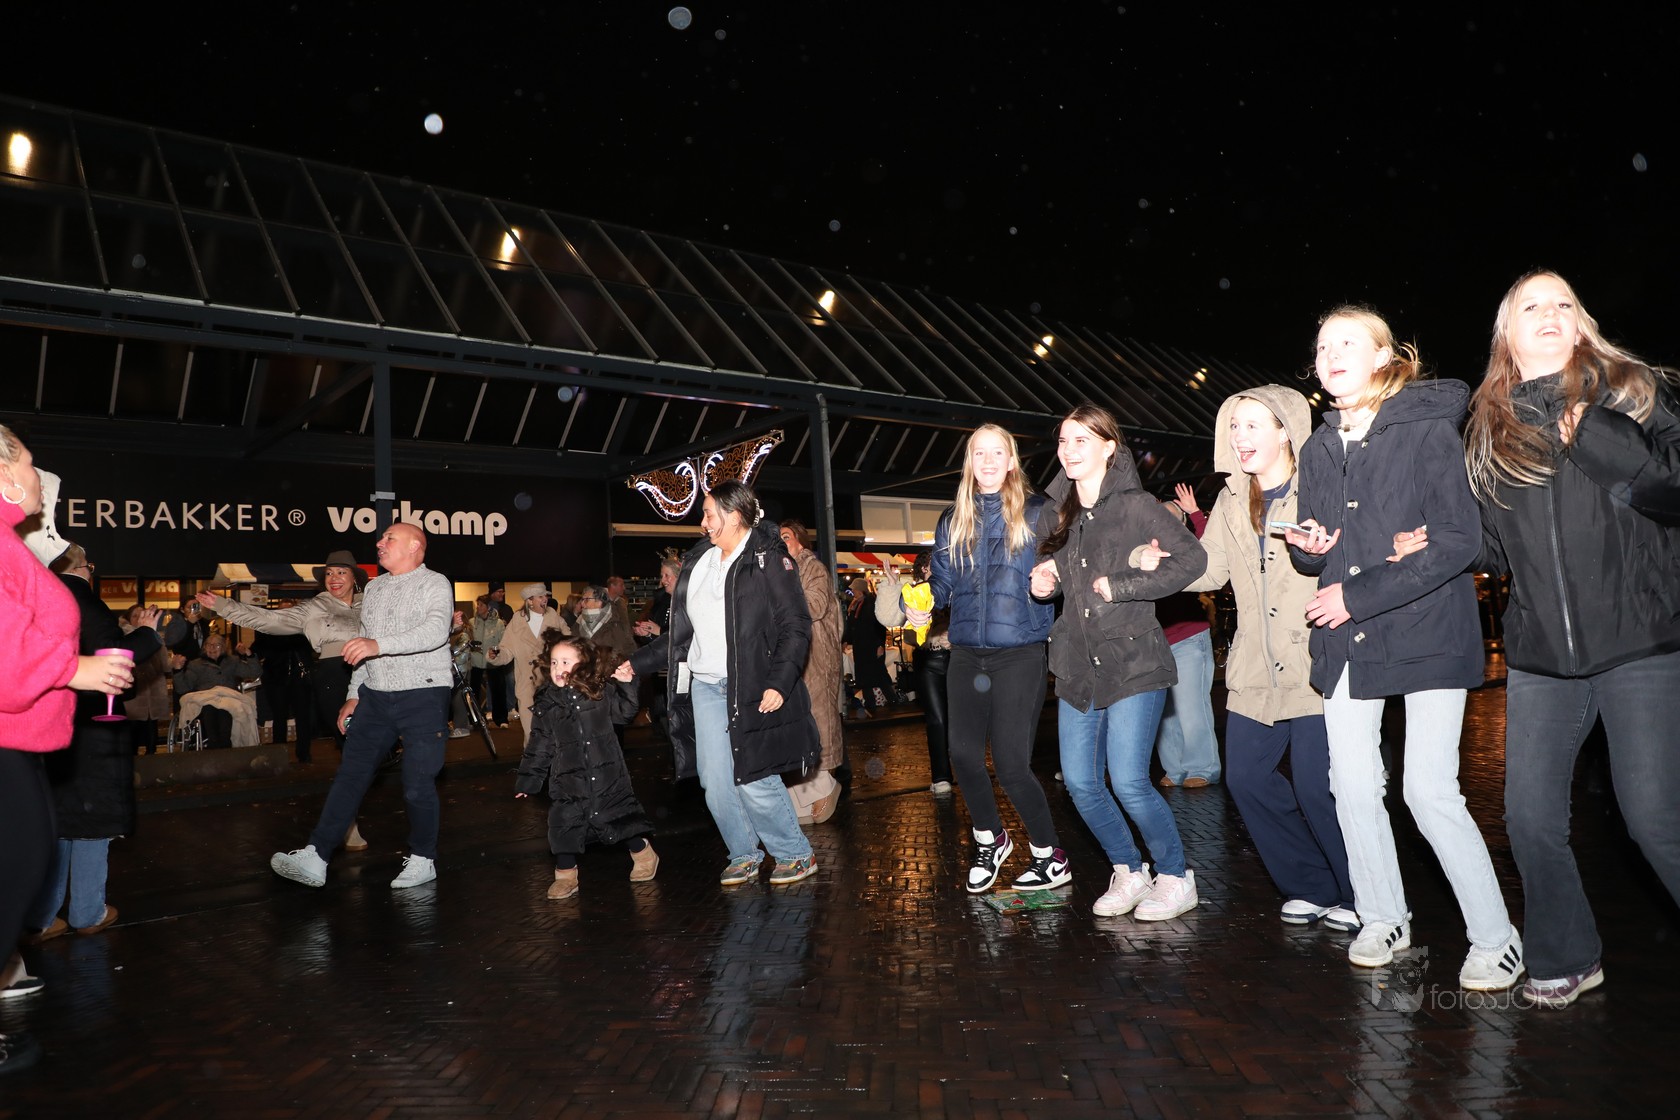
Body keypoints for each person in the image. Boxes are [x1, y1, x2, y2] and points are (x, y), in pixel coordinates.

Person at [1461, 271, 1680, 1007]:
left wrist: (1595, 431)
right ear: (1508, 334)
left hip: (1639, 637)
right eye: (1532, 305)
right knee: (1528, 819)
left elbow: (1672, 487)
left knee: (1655, 820)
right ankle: (1567, 956)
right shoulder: (1489, 430)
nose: (1550, 313)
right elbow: (1495, 549)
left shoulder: (1632, 393)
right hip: (1542, 656)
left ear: (1581, 324)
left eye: (1564, 304)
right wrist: (1433, 540)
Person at [1286, 306, 1522, 991]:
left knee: (1428, 790)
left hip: (1423, 628)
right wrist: (1311, 550)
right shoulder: (1318, 447)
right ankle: (1383, 916)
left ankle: (1497, 938)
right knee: (1351, 785)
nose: (1332, 354)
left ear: (1384, 357)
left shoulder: (1426, 430)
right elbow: (1320, 549)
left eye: (1348, 342)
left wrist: (1355, 595)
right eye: (1323, 345)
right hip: (1347, 638)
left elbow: (1457, 540)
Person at [1163, 386, 1357, 929]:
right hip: (1253, 667)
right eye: (1233, 426)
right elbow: (1209, 570)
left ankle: (1359, 892)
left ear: (1285, 433)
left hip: (1314, 660)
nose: (1239, 436)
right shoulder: (1232, 499)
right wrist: (1158, 561)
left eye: (1252, 425)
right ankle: (1310, 885)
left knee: (1318, 788)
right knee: (1247, 779)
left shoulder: (1320, 488)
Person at [1029, 404, 1207, 920]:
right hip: (1077, 665)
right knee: (1081, 783)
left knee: (1128, 781)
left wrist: (1124, 584)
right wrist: (1045, 581)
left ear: (1109, 447)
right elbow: (1054, 573)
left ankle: (1175, 876)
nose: (1068, 450)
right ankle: (1129, 870)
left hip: (1133, 661)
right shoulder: (1055, 513)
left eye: (1081, 440)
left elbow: (1193, 559)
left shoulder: (1136, 506)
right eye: (1063, 441)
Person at [0, 426, 133, 1075]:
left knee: (22, 870)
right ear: (3, 475)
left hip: (18, 742)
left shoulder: (9, 543)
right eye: (29, 463)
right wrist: (75, 668)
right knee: (17, 870)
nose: (39, 477)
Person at [622, 481, 820, 887]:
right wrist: (636, 664)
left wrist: (780, 682)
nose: (703, 521)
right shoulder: (700, 561)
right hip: (706, 686)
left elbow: (796, 625)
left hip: (751, 683)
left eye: (709, 513)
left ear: (734, 515)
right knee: (714, 781)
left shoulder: (767, 558)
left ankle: (794, 853)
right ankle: (743, 853)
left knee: (753, 773)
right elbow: (681, 635)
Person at [905, 424, 1064, 894]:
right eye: (980, 453)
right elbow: (942, 581)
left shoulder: (1038, 512)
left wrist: (1050, 585)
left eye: (998, 453)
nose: (989, 461)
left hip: (1020, 653)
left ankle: (1050, 855)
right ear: (969, 462)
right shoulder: (953, 518)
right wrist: (924, 602)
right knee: (963, 756)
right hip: (966, 652)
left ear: (1012, 461)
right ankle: (990, 838)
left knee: (1012, 766)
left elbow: (1064, 570)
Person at [269, 522, 455, 891]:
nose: (380, 543)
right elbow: (363, 643)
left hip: (423, 694)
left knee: (417, 782)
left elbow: (435, 632)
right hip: (376, 695)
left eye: (389, 538)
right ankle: (317, 856)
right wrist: (354, 693)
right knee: (351, 774)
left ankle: (423, 859)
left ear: (415, 545)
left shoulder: (434, 583)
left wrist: (378, 645)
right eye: (382, 538)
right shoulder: (375, 588)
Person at [28, 544, 163, 941]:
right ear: (86, 568)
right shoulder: (84, 600)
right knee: (94, 818)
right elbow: (113, 657)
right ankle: (87, 910)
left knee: (62, 820)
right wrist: (147, 633)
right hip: (92, 727)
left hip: (55, 723)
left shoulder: (42, 598)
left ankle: (42, 915)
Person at [515, 635, 657, 899]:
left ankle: (642, 852)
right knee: (563, 826)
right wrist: (529, 779)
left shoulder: (600, 692)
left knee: (616, 819)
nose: (558, 668)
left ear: (583, 664)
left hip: (607, 775)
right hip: (567, 781)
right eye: (554, 662)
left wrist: (627, 685)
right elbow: (540, 743)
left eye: (565, 662)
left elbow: (625, 713)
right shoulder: (548, 702)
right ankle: (565, 875)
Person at [200, 551, 367, 762]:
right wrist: (224, 606)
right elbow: (270, 619)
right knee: (349, 733)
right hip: (334, 676)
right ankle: (356, 771)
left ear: (354, 577)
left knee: (373, 731)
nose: (334, 578)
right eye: (329, 573)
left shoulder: (368, 603)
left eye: (341, 572)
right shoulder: (315, 607)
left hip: (369, 672)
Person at [1152, 485, 1222, 789]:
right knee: (1164, 713)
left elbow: (1214, 555)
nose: (1164, 521)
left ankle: (1202, 768)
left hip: (1189, 637)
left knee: (1192, 707)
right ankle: (1175, 768)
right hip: (1157, 642)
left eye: (1172, 516)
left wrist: (1194, 512)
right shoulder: (1147, 552)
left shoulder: (1188, 551)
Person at [779, 519, 844, 824]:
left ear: (800, 541)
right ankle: (802, 797)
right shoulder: (783, 571)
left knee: (819, 723)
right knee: (796, 728)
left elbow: (815, 606)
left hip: (816, 657)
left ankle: (825, 787)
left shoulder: (812, 568)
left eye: (787, 537)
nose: (782, 543)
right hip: (794, 658)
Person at [878, 550, 954, 794]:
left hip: (959, 659)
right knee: (937, 718)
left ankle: (965, 769)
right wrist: (892, 586)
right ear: (924, 568)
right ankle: (941, 776)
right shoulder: (914, 590)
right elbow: (889, 618)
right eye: (935, 565)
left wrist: (956, 636)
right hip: (929, 661)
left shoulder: (953, 586)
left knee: (961, 719)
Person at [493, 583, 568, 745]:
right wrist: (496, 655)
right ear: (529, 601)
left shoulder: (554, 618)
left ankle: (553, 760)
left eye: (546, 596)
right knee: (530, 731)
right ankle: (532, 759)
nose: (545, 599)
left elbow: (569, 644)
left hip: (551, 683)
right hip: (526, 684)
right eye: (540, 596)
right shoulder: (517, 621)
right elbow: (507, 650)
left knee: (553, 730)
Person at [176, 632, 262, 749]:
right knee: (210, 708)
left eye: (217, 645)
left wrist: (248, 654)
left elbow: (255, 673)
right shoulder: (196, 665)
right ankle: (215, 743)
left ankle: (223, 744)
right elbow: (183, 688)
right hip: (207, 699)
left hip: (228, 698)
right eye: (209, 645)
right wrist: (177, 670)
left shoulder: (232, 661)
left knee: (225, 709)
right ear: (204, 647)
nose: (212, 648)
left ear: (223, 648)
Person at [123, 605, 171, 756]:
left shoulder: (154, 637)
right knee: (132, 731)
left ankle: (151, 761)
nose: (139, 618)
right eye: (135, 616)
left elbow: (165, 664)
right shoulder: (123, 637)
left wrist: (173, 664)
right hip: (133, 692)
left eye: (141, 614)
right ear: (129, 619)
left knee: (152, 730)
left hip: (153, 689)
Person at [842, 577, 895, 716]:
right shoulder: (855, 605)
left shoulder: (871, 603)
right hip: (861, 646)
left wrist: (880, 645)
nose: (852, 591)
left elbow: (879, 625)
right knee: (864, 676)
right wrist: (846, 639)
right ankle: (870, 703)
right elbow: (852, 625)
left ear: (860, 590)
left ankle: (893, 700)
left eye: (854, 589)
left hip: (872, 645)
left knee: (879, 674)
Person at [469, 595, 511, 728]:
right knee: (473, 692)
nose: (478, 607)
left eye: (481, 605)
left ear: (488, 607)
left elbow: (503, 642)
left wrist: (497, 653)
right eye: (477, 604)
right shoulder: (471, 622)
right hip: (475, 661)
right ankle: (475, 720)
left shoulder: (498, 623)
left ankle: (501, 719)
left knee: (498, 690)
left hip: (493, 661)